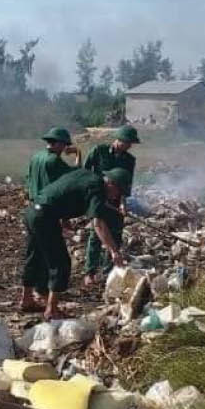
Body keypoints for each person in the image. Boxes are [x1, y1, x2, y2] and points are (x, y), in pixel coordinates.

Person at [19, 167, 129, 320]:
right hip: (45, 217)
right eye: (119, 191)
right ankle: (51, 309)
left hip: (32, 211)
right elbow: (98, 223)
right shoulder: (98, 189)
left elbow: (64, 188)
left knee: (34, 256)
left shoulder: (85, 174)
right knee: (61, 262)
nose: (117, 196)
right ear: (111, 184)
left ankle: (27, 300)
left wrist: (64, 217)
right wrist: (114, 251)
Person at [81, 125, 138, 285]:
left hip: (115, 199)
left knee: (116, 235)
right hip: (98, 198)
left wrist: (122, 203)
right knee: (96, 235)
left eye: (131, 143)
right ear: (119, 140)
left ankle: (108, 272)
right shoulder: (99, 151)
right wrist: (91, 194)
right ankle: (90, 272)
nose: (129, 146)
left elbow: (126, 184)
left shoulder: (129, 160)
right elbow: (85, 172)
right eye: (127, 142)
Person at [26, 126, 79, 200]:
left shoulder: (35, 157)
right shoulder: (54, 159)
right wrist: (78, 152)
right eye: (65, 144)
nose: (65, 148)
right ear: (59, 143)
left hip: (35, 201)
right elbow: (76, 174)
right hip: (48, 203)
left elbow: (28, 179)